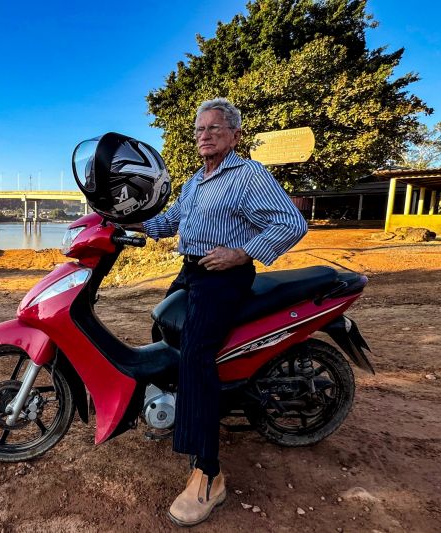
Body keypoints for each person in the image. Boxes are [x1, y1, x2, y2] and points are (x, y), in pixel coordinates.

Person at [124, 98, 307, 527]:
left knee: (195, 356)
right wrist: (125, 222)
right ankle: (179, 408)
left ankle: (208, 472)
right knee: (160, 330)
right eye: (199, 129)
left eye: (214, 128)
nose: (204, 135)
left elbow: (291, 223)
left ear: (234, 134)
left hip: (223, 278)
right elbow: (169, 223)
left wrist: (242, 254)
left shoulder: (248, 175)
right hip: (191, 272)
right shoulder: (194, 183)